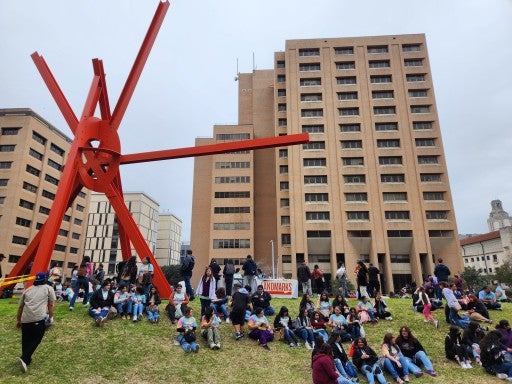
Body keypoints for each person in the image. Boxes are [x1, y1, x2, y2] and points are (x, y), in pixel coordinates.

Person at [16, 272, 56, 373]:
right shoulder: (48, 288)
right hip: (38, 319)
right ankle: (24, 359)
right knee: (37, 338)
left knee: (26, 339)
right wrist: (51, 317)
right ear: (45, 280)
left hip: (25, 320)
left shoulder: (28, 290)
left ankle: (26, 359)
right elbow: (51, 304)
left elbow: (20, 307)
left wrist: (18, 320)